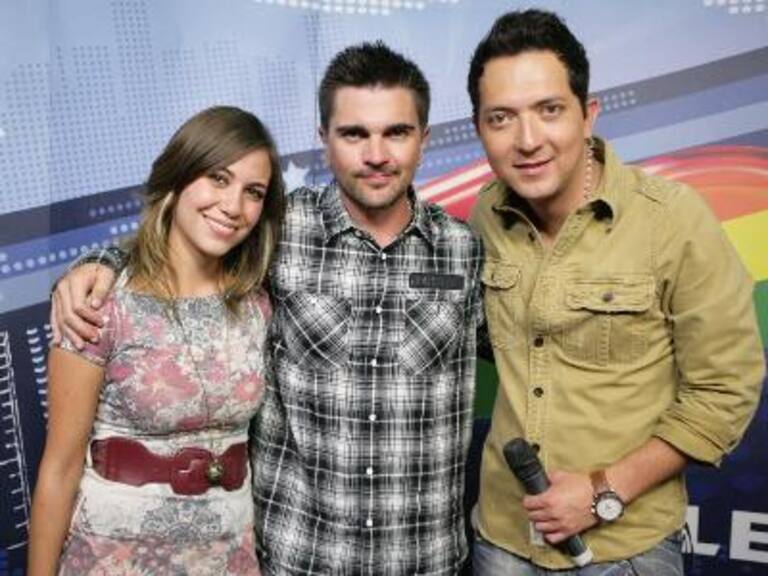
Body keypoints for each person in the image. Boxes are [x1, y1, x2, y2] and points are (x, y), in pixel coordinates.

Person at [48, 42, 484, 574]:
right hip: (302, 557)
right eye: (354, 134)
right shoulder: (278, 233)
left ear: (424, 139)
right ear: (324, 140)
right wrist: (95, 265)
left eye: (396, 132)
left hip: (424, 557)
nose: (376, 154)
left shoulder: (464, 249)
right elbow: (182, 250)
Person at [466, 9, 765, 575]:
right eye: (501, 118)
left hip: (622, 548)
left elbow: (725, 388)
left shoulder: (672, 221)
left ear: (589, 114)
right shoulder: (485, 215)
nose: (527, 140)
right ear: (480, 129)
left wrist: (604, 490)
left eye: (549, 110)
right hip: (501, 540)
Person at [29, 106, 285, 575]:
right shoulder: (100, 303)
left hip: (229, 556)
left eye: (253, 192)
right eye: (218, 178)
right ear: (178, 177)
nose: (233, 207)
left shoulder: (257, 303)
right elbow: (58, 471)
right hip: (114, 556)